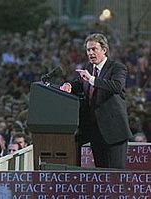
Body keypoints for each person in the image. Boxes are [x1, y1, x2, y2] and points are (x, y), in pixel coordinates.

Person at [60, 33, 132, 169]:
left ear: (104, 50)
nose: (91, 53)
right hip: (95, 131)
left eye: (94, 49)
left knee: (115, 175)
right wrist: (70, 86)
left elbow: (117, 86)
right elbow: (80, 83)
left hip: (113, 132)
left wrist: (92, 79)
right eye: (88, 50)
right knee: (101, 172)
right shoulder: (88, 67)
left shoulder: (117, 67)